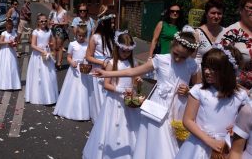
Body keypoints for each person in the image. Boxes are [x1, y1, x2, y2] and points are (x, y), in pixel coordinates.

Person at [93, 31, 201, 159]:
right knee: (158, 142)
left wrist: (188, 90)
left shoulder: (193, 65)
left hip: (179, 107)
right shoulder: (160, 60)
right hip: (158, 107)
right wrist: (107, 74)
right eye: (176, 54)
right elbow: (132, 71)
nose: (178, 59)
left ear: (190, 55)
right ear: (172, 45)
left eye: (183, 57)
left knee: (175, 140)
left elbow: (199, 88)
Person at [176, 45, 248, 159]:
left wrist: (235, 127)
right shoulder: (199, 91)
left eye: (213, 69)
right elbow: (188, 120)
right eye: (205, 67)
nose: (206, 71)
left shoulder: (240, 95)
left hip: (225, 147)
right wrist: (210, 141)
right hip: (199, 144)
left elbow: (245, 121)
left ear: (226, 71)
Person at [83, 30, 141, 159]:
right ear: (117, 48)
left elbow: (136, 85)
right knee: (112, 126)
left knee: (130, 128)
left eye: (128, 51)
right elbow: (106, 85)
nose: (126, 54)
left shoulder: (134, 64)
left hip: (128, 101)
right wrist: (121, 90)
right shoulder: (111, 63)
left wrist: (137, 82)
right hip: (114, 101)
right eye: (123, 50)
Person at [53, 24, 91, 120]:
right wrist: (71, 62)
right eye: (79, 35)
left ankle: (83, 110)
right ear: (76, 34)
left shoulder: (87, 45)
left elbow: (89, 56)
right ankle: (70, 108)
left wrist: (87, 60)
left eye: (83, 36)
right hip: (74, 69)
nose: (81, 38)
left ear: (86, 36)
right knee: (73, 89)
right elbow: (69, 57)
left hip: (84, 68)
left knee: (84, 89)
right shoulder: (72, 44)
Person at [218, 0, 252, 90]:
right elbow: (215, 61)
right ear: (241, 10)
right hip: (236, 92)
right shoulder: (231, 32)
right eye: (251, 8)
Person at [85, 13, 116, 123]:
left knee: (109, 93)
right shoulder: (95, 37)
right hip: (99, 68)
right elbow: (88, 56)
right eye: (110, 23)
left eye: (113, 22)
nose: (113, 25)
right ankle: (100, 120)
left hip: (110, 67)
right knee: (100, 94)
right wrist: (101, 62)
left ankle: (109, 119)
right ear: (103, 24)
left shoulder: (113, 36)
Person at [25, 14, 58, 105]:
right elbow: (33, 45)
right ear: (38, 22)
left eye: (45, 21)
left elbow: (51, 42)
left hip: (46, 55)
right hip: (38, 56)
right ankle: (38, 96)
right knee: (38, 76)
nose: (43, 23)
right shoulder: (36, 32)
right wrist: (42, 50)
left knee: (49, 75)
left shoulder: (49, 31)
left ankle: (49, 96)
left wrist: (51, 46)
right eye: (41, 21)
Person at [0, 19, 21, 90]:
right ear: (6, 27)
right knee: (5, 65)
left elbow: (17, 41)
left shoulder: (14, 33)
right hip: (5, 51)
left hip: (12, 51)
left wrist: (15, 44)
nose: (9, 28)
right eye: (8, 27)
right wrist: (7, 42)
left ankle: (12, 83)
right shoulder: (4, 33)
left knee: (12, 65)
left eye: (11, 26)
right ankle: (3, 82)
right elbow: (0, 42)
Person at [194, 0, 225, 65]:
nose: (216, 16)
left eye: (219, 13)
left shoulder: (226, 32)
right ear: (206, 14)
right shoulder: (197, 33)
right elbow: (191, 58)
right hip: (200, 72)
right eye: (213, 13)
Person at [50, 0, 69, 70]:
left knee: (59, 47)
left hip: (60, 31)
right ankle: (54, 62)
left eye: (55, 4)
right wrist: (51, 22)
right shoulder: (55, 12)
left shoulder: (64, 12)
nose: (54, 5)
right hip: (53, 30)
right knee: (54, 47)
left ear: (58, 4)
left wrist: (57, 23)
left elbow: (66, 22)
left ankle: (59, 63)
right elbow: (53, 20)